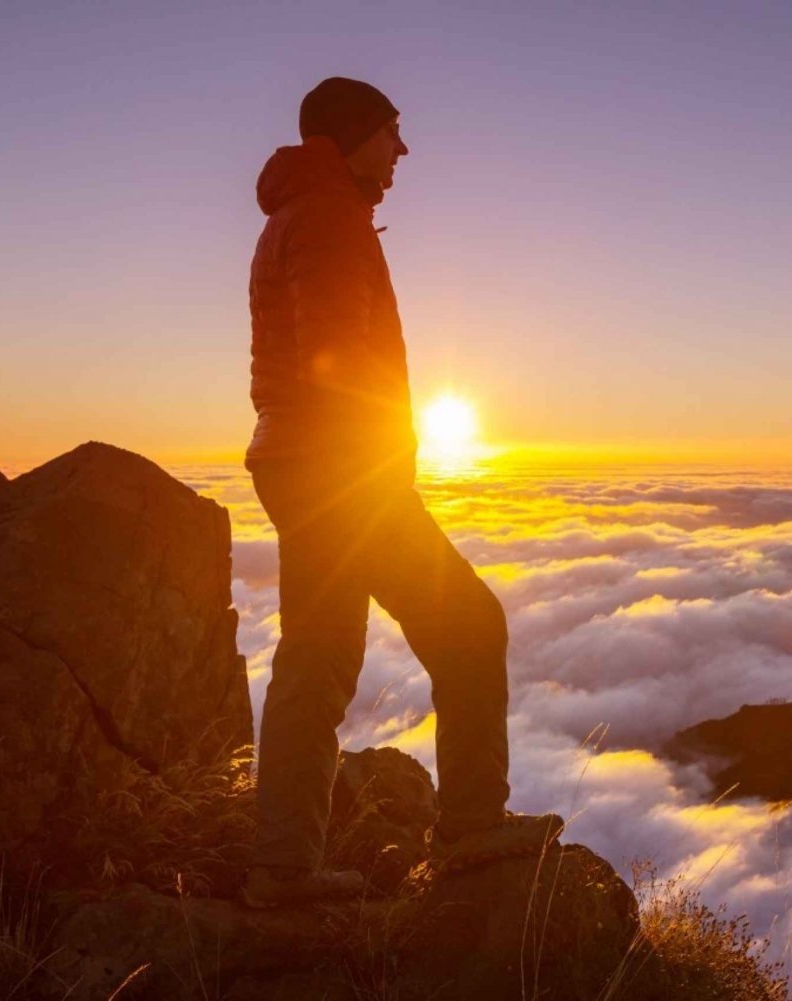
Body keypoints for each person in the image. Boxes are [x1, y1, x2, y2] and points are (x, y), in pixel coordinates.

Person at [239, 77, 562, 908]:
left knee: (315, 658)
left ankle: (281, 867)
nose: (402, 151)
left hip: (293, 459)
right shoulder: (333, 218)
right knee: (468, 626)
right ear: (352, 137)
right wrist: (376, 476)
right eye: (392, 133)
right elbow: (338, 358)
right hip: (341, 470)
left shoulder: (293, 214)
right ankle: (470, 831)